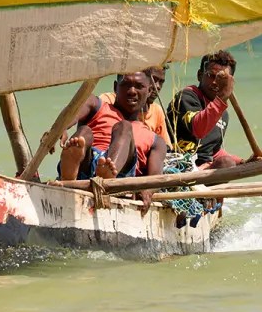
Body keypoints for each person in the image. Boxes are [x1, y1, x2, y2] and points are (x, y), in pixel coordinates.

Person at [58, 70, 168, 213]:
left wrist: (148, 191)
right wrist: (62, 127)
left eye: (139, 86)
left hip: (118, 177)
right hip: (85, 165)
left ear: (149, 91)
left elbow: (155, 178)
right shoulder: (97, 106)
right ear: (116, 87)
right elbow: (75, 110)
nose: (132, 91)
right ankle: (69, 173)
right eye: (126, 85)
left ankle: (107, 176)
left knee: (124, 127)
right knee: (84, 132)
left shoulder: (155, 140)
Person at [166, 50, 246, 169]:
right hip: (179, 166)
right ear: (199, 75)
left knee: (229, 162)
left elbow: (214, 151)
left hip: (203, 168)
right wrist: (222, 98)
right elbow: (199, 130)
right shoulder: (187, 97)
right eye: (210, 76)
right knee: (226, 164)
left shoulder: (222, 113)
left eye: (221, 79)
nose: (215, 82)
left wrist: (244, 162)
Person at [99, 65, 168, 142]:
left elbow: (165, 146)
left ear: (149, 90)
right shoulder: (107, 101)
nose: (157, 86)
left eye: (161, 82)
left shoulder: (157, 111)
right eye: (153, 80)